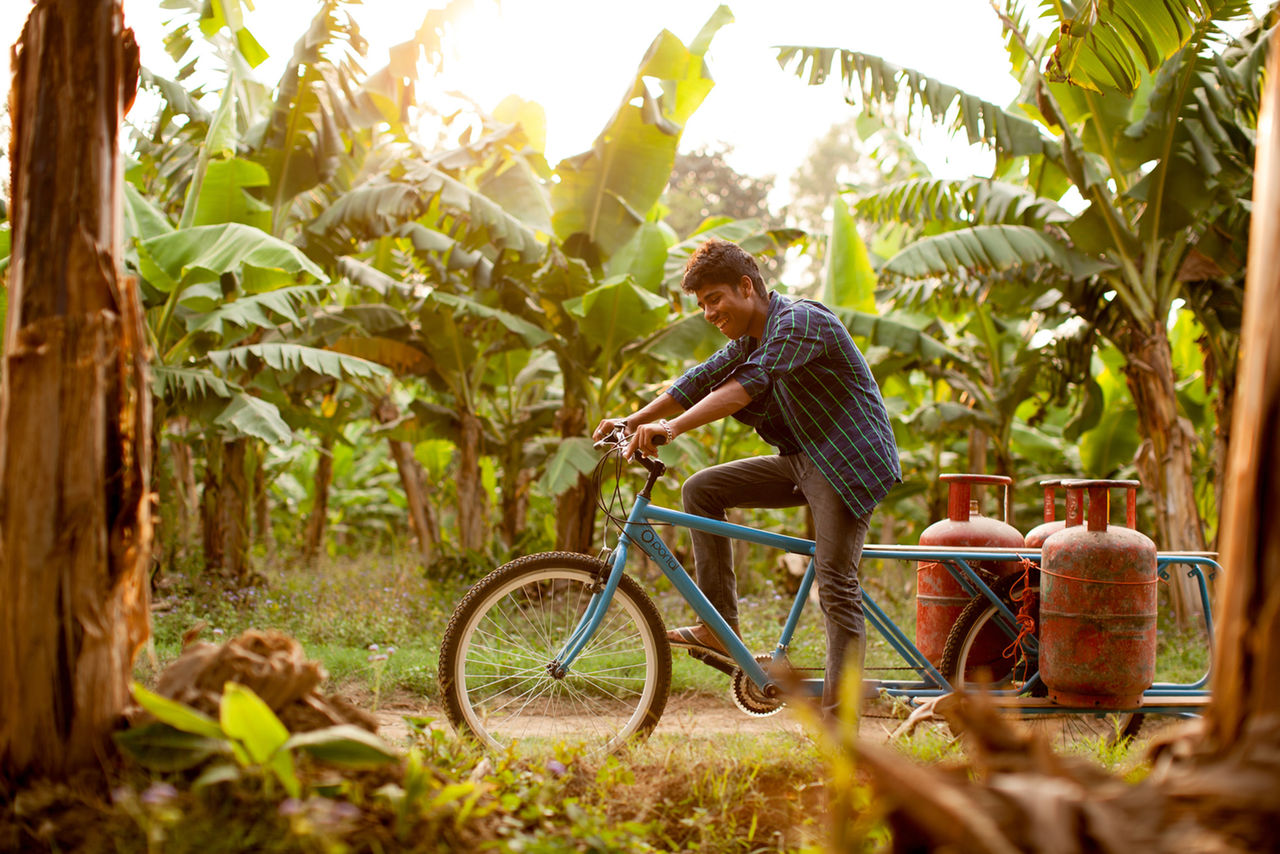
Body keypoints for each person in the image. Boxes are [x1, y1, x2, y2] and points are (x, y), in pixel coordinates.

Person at [592, 238, 901, 716]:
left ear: (746, 286)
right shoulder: (749, 341)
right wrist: (631, 421)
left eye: (714, 299)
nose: (709, 313)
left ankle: (841, 731)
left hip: (846, 462)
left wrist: (670, 428)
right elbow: (698, 380)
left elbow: (746, 386)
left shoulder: (799, 321)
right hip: (803, 460)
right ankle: (719, 627)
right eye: (702, 305)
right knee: (701, 490)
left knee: (836, 584)